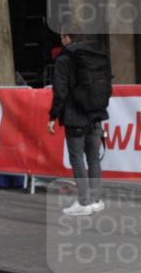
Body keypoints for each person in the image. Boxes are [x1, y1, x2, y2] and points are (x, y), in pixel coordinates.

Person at [47, 30, 111, 216]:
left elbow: (60, 92)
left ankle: (83, 202)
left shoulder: (63, 59)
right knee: (93, 156)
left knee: (77, 158)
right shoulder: (96, 55)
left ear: (67, 38)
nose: (61, 41)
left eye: (61, 38)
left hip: (75, 116)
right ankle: (96, 200)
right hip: (96, 113)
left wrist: (53, 116)